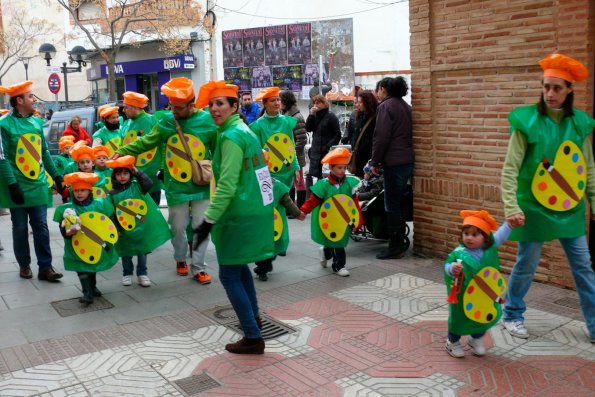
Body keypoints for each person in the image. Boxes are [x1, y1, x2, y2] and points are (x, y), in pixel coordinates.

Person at [500, 53, 595, 343]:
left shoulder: (579, 124)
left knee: (583, 266)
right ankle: (512, 314)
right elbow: (510, 168)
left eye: (556, 88)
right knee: (527, 263)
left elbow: (587, 167)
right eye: (545, 87)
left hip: (569, 207)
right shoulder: (526, 121)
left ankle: (594, 324)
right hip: (532, 207)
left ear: (569, 91)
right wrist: (511, 206)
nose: (549, 93)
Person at [192, 80, 274, 354]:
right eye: (211, 104)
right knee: (240, 268)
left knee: (228, 275)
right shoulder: (245, 130)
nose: (214, 109)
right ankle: (256, 319)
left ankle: (252, 336)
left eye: (220, 104)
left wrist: (208, 221)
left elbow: (227, 184)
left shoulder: (230, 137)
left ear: (234, 106)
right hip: (253, 211)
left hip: (236, 216)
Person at [115, 77, 217, 285]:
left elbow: (218, 151)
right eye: (172, 106)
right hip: (175, 186)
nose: (174, 111)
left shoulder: (207, 121)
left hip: (202, 185)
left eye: (178, 107)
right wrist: (122, 151)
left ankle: (198, 267)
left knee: (201, 226)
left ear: (192, 105)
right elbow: (146, 141)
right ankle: (180, 258)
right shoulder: (166, 121)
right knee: (178, 227)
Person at [0, 81, 64, 281]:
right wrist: (12, 184)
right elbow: (2, 157)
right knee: (19, 227)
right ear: (19, 100)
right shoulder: (4, 125)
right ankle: (24, 264)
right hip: (17, 186)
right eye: (30, 96)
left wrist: (57, 176)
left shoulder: (37, 122)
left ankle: (45, 267)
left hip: (37, 184)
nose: (34, 99)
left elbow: (43, 152)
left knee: (41, 226)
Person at [443, 210, 513, 358]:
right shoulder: (458, 253)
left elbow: (500, 235)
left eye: (475, 235)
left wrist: (509, 224)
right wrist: (451, 269)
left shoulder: (489, 249)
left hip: (483, 295)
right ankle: (452, 341)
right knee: (459, 319)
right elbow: (447, 265)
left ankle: (476, 339)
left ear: (485, 238)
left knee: (480, 317)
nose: (469, 238)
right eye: (466, 233)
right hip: (462, 296)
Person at [106, 155, 170, 287]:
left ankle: (142, 273)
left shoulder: (137, 187)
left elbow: (149, 184)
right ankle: (127, 273)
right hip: (124, 229)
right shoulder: (112, 194)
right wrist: (116, 227)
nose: (122, 176)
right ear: (114, 176)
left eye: (125, 173)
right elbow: (111, 212)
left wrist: (137, 172)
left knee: (142, 251)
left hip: (140, 226)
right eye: (119, 174)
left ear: (130, 174)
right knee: (126, 252)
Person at [54, 172, 118, 304]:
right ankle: (87, 293)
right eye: (76, 190)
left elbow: (109, 221)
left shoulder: (99, 204)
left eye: (82, 190)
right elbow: (63, 229)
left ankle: (92, 287)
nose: (79, 193)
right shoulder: (67, 210)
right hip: (76, 244)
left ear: (89, 191)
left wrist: (115, 231)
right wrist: (68, 232)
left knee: (92, 264)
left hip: (94, 242)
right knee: (81, 266)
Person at [300, 147, 362, 277]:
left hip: (343, 220)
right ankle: (339, 266)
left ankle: (325, 251)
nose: (342, 171)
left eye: (344, 168)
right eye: (339, 168)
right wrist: (303, 211)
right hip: (329, 219)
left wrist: (358, 220)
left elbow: (354, 202)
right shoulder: (324, 185)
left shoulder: (349, 184)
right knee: (337, 243)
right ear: (331, 168)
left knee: (337, 241)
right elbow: (313, 200)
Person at [371, 76, 414, 260]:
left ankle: (395, 246)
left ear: (383, 89)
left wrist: (374, 161)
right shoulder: (406, 106)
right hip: (406, 160)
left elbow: (381, 137)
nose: (377, 93)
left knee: (392, 204)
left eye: (378, 90)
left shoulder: (385, 107)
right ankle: (398, 242)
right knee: (398, 201)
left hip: (393, 162)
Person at [254, 174, 305, 281]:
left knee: (274, 246)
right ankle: (262, 268)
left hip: (275, 224)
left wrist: (297, 213)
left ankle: (264, 266)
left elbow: (288, 202)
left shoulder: (278, 186)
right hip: (259, 223)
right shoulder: (253, 186)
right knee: (262, 247)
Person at [250, 87, 299, 190]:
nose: (277, 103)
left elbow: (291, 146)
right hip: (268, 174)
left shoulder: (286, 121)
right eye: (273, 100)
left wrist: (296, 168)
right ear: (265, 104)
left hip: (287, 171)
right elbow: (256, 152)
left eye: (278, 100)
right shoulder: (258, 126)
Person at [120, 91, 162, 205]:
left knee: (153, 212)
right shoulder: (125, 124)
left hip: (151, 177)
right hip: (130, 177)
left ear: (135, 107)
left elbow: (162, 145)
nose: (123, 110)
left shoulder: (153, 121)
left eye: (126, 107)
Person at [305, 95, 341, 194]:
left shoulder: (331, 116)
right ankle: (315, 197)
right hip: (315, 151)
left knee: (326, 177)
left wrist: (328, 146)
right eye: (314, 103)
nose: (316, 105)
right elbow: (308, 129)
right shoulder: (315, 116)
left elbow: (337, 134)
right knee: (314, 177)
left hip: (326, 152)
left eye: (318, 102)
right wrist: (311, 115)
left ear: (324, 103)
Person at [280, 90, 308, 207]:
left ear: (286, 101)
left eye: (280, 100)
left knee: (299, 181)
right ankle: (291, 207)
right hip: (286, 156)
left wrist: (293, 154)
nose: (278, 103)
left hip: (295, 155)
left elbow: (301, 139)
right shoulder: (285, 116)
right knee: (290, 182)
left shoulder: (297, 116)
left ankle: (300, 206)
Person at [345, 90, 378, 178]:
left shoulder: (375, 117)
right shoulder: (360, 115)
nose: (358, 105)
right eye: (357, 102)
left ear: (367, 103)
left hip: (368, 157)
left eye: (360, 102)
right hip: (358, 156)